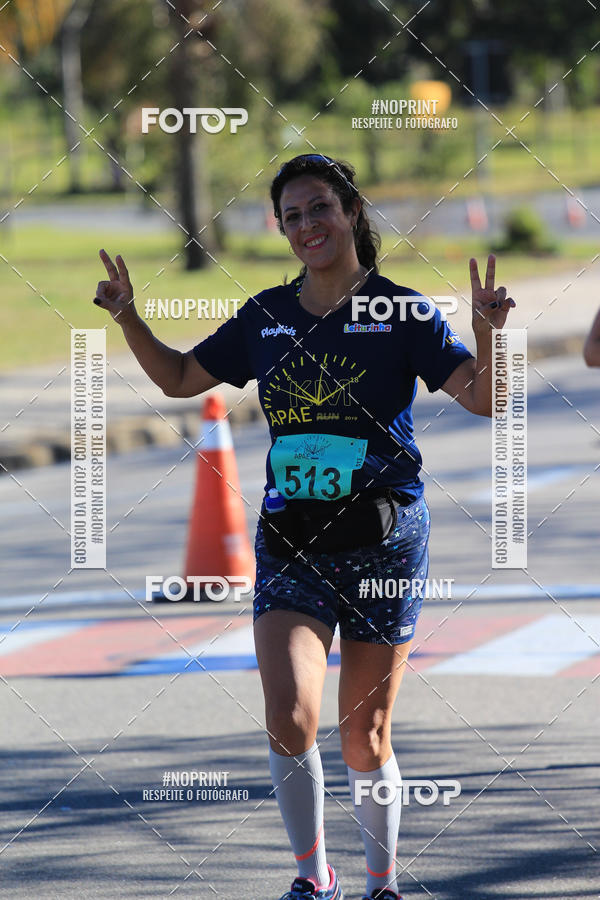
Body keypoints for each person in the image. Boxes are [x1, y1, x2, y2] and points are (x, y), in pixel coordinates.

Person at [93, 153, 515, 900]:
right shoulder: (266, 317)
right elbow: (179, 379)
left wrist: (490, 334)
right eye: (291, 216)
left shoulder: (402, 312)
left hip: (385, 543)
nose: (306, 226)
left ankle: (380, 883)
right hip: (293, 543)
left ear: (350, 211)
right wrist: (128, 316)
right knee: (289, 716)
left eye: (319, 207)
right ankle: (312, 879)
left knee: (365, 733)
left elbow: (487, 400)